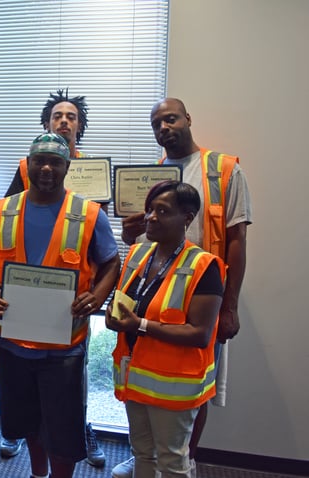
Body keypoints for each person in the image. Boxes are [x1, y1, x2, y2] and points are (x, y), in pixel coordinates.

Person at [113, 98, 252, 478]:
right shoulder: (151, 175)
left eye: (171, 119)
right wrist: (129, 233)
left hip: (203, 294)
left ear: (188, 119)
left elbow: (236, 239)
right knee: (149, 370)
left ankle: (182, 456)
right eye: (156, 124)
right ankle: (152, 454)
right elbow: (140, 243)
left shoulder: (222, 170)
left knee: (191, 378)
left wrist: (231, 306)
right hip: (155, 295)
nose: (164, 128)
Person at [0, 133, 120, 478]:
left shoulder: (88, 214)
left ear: (67, 167)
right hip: (14, 344)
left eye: (55, 162)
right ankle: (37, 474)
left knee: (63, 431)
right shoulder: (2, 211)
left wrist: (99, 296)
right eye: (38, 161)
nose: (46, 168)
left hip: (63, 349)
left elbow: (112, 261)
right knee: (29, 421)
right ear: (26, 166)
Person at [3, 89, 107, 466]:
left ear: (80, 126)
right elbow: (8, 226)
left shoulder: (94, 171)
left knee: (67, 394)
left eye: (72, 116)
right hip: (24, 311)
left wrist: (97, 293)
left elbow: (102, 239)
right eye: (57, 116)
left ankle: (81, 432)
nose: (64, 121)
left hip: (69, 303)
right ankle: (30, 441)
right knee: (30, 400)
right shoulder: (24, 169)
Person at [107, 180, 225, 478]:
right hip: (135, 379)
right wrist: (113, 317)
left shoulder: (204, 266)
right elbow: (124, 305)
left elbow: (199, 333)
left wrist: (141, 326)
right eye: (149, 211)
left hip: (174, 388)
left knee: (172, 461)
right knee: (142, 454)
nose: (151, 218)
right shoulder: (138, 256)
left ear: (187, 218)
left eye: (162, 211)